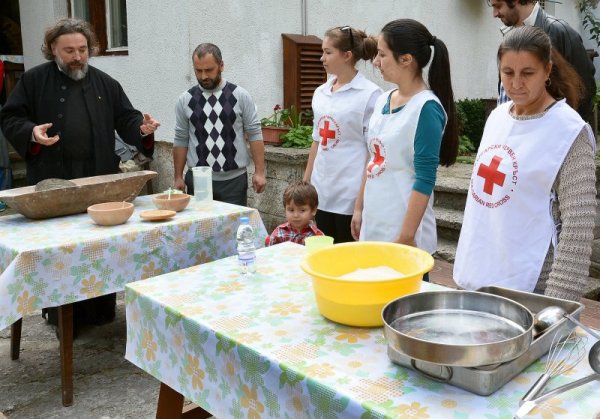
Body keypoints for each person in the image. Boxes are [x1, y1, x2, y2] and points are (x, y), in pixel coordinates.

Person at [0, 17, 160, 333]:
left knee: (98, 248)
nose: (77, 57)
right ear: (53, 51)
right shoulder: (33, 81)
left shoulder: (105, 83)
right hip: (52, 179)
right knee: (60, 251)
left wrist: (140, 129)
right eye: (69, 50)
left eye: (83, 49)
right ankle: (60, 317)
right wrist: (31, 132)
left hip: (98, 177)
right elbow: (10, 117)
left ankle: (101, 312)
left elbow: (126, 118)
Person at [454, 26, 597, 302]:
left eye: (527, 73)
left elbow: (577, 229)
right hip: (480, 275)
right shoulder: (497, 117)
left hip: (532, 287)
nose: (516, 83)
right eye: (508, 73)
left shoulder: (568, 132)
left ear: (547, 70)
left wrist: (555, 307)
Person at [351, 19, 458, 262]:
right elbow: (372, 159)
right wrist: (359, 209)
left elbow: (425, 178)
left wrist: (406, 237)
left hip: (405, 236)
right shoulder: (382, 99)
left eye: (381, 54)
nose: (376, 62)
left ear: (406, 59)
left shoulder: (426, 109)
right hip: (374, 225)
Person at [302, 26, 382, 244]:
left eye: (328, 52)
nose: (321, 58)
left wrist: (359, 205)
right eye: (322, 51)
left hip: (349, 195)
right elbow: (317, 140)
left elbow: (371, 152)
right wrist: (305, 184)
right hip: (321, 193)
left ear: (347, 56)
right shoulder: (321, 93)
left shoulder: (371, 95)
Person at [173, 43, 266, 206]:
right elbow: (181, 139)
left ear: (221, 65)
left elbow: (254, 133)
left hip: (234, 182)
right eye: (198, 70)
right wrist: (178, 177)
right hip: (198, 181)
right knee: (201, 231)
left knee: (233, 230)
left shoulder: (240, 96)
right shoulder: (185, 100)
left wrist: (260, 172)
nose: (203, 76)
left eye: (209, 70)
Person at [488, 0, 596, 121]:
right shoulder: (509, 34)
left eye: (498, 6)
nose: (494, 14)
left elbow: (585, 91)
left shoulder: (559, 32)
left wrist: (563, 130)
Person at [265, 180, 323, 246]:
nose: (296, 215)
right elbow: (269, 252)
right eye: (291, 210)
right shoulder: (279, 233)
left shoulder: (317, 237)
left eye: (302, 210)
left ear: (313, 210)